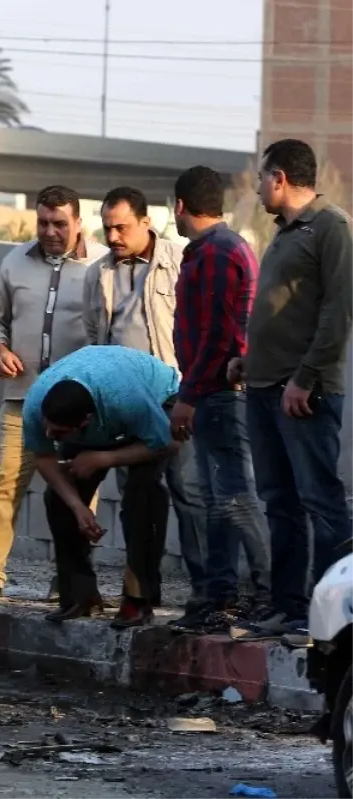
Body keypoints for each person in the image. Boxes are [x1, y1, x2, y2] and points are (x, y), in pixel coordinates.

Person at [0, 185, 109, 603]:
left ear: (79, 223)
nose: (51, 231)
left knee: (77, 491)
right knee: (3, 485)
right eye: (43, 222)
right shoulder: (14, 262)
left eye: (60, 223)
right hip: (21, 399)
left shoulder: (101, 266)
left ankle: (70, 577)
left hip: (77, 406)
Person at [234, 138, 353, 635]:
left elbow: (337, 311)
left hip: (304, 392)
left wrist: (303, 379)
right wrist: (247, 363)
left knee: (320, 501)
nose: (259, 187)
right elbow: (280, 309)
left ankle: (335, 616)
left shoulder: (332, 227)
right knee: (278, 501)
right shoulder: (283, 232)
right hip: (264, 387)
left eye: (263, 177)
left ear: (280, 178)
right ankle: (290, 606)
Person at [84, 187, 208, 606]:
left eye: (121, 227)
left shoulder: (180, 260)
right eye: (107, 228)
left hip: (176, 394)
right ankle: (140, 592)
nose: (114, 236)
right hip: (126, 404)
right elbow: (93, 337)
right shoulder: (97, 273)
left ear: (145, 222)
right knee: (137, 497)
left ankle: (207, 592)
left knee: (188, 491)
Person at [167, 166, 272, 634]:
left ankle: (271, 592)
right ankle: (221, 594)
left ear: (180, 206)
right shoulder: (223, 247)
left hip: (219, 392)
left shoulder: (215, 252)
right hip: (215, 390)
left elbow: (217, 334)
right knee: (217, 499)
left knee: (234, 497)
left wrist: (189, 395)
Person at [24, 346, 180, 629]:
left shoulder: (127, 398)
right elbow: (44, 457)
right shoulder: (36, 404)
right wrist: (78, 506)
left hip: (158, 400)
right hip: (97, 408)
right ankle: (80, 596)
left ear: (85, 422)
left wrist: (104, 457)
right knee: (57, 498)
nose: (49, 435)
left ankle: (138, 599)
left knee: (142, 493)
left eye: (57, 433)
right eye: (47, 428)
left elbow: (168, 443)